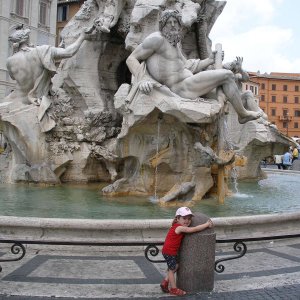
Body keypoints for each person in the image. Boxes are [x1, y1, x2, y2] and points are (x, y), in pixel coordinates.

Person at [126, 10, 262, 124]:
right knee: (227, 75)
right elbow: (131, 58)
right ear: (163, 25)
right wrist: (142, 79)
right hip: (181, 88)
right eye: (169, 22)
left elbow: (188, 65)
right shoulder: (157, 39)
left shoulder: (174, 42)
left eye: (176, 22)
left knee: (225, 95)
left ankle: (247, 113)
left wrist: (210, 60)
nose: (173, 25)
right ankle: (243, 115)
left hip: (191, 84)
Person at [6, 26, 89, 105]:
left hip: (18, 101)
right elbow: (68, 52)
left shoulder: (9, 61)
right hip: (37, 100)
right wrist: (82, 36)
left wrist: (15, 51)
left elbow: (13, 77)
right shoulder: (41, 51)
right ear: (27, 39)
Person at [160, 206, 213, 296]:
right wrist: (206, 224)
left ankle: (165, 282)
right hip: (169, 252)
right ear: (177, 218)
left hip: (169, 251)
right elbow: (194, 229)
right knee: (172, 270)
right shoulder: (180, 227)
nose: (187, 221)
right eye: (184, 218)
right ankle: (174, 289)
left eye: (189, 219)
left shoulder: (175, 225)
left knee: (175, 266)